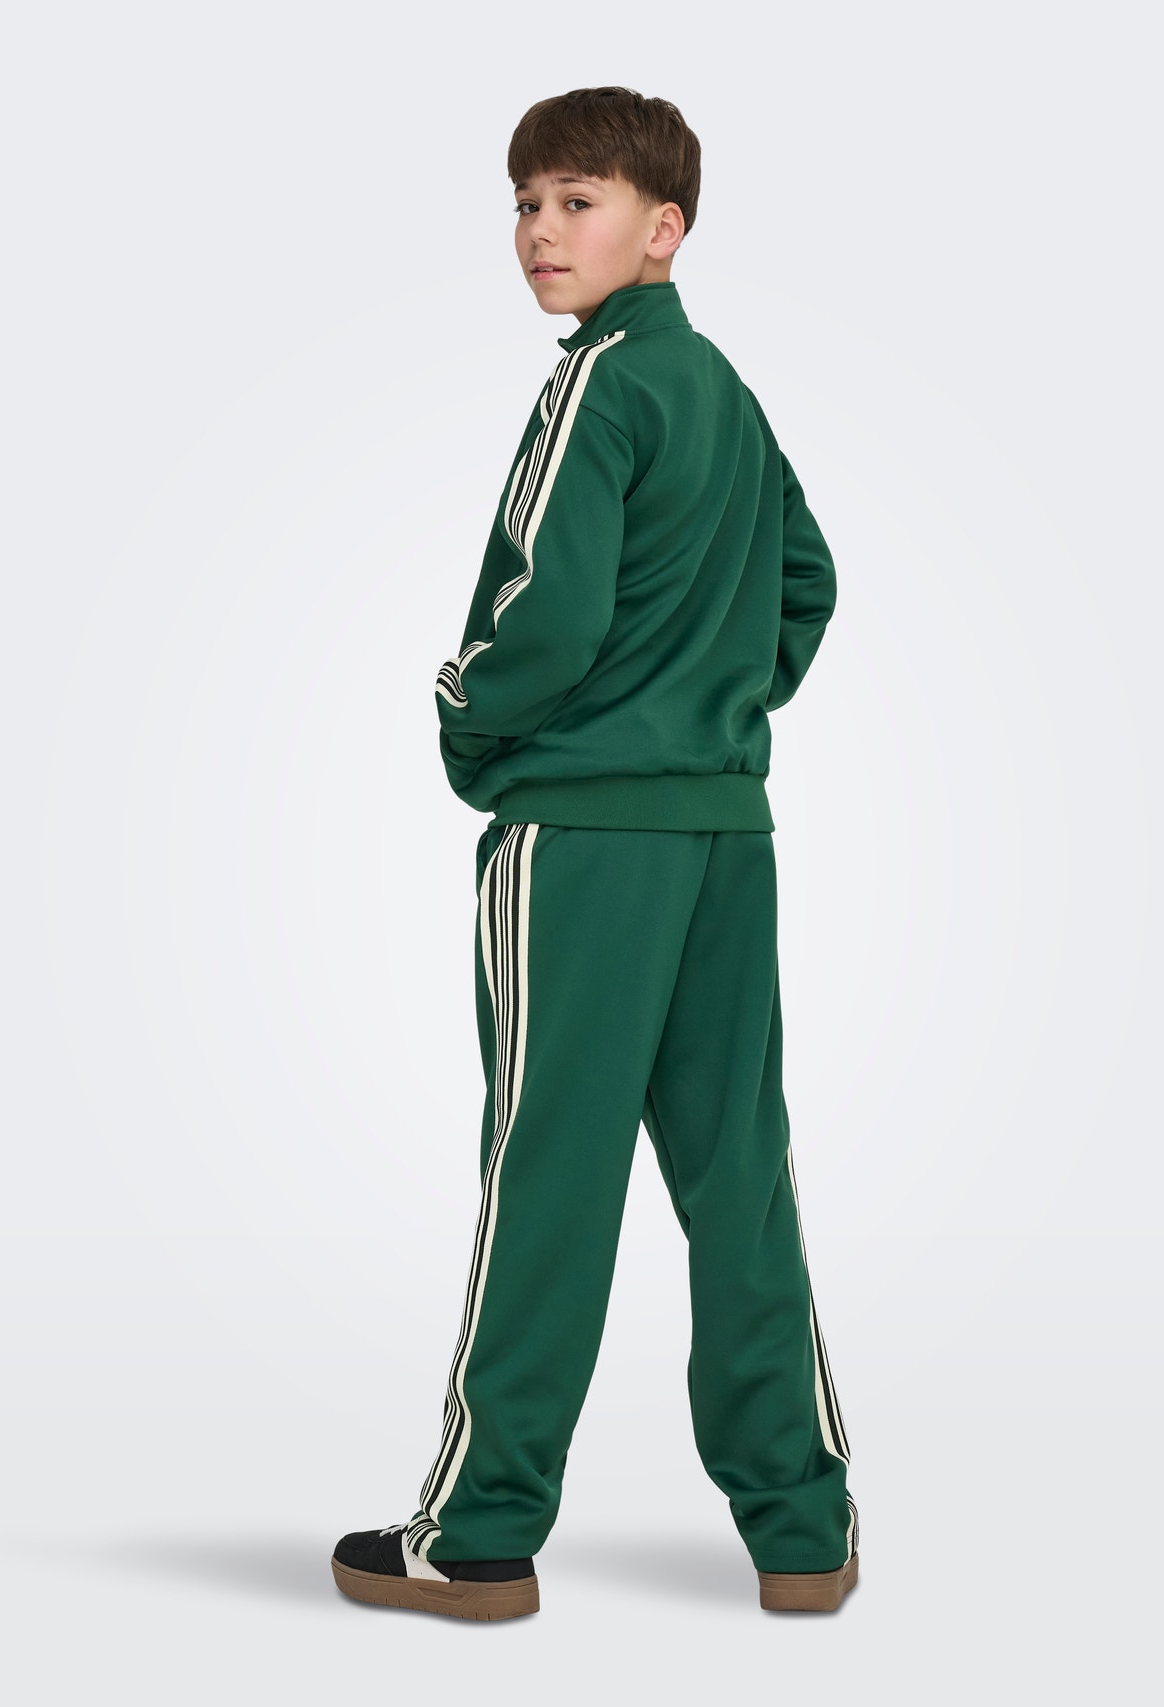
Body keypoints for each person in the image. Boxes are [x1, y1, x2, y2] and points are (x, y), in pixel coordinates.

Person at [331, 85, 859, 1621]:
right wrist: (712, 705)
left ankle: (479, 1533)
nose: (539, 232)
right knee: (738, 1175)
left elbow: (543, 616)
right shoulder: (724, 392)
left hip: (583, 844)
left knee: (546, 1172)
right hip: (724, 838)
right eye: (525, 204)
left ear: (663, 228)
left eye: (577, 202)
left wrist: (467, 719)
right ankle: (802, 1528)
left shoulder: (600, 383)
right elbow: (809, 580)